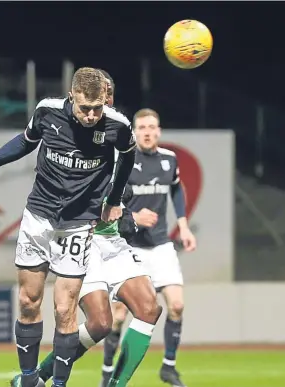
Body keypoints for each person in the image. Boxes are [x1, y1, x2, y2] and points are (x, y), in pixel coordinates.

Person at [0, 67, 136, 387]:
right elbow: (24, 143)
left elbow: (127, 156)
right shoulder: (47, 111)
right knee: (29, 301)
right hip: (38, 216)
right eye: (85, 108)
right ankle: (29, 381)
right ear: (72, 97)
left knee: (64, 309)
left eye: (98, 108)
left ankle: (58, 385)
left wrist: (113, 200)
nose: (92, 115)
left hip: (78, 224)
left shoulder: (117, 125)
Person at [101, 108, 197, 387]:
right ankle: (108, 372)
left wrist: (184, 225)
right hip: (129, 247)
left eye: (151, 127)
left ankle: (168, 367)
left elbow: (177, 189)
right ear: (134, 131)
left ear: (159, 131)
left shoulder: (169, 159)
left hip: (161, 245)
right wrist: (134, 217)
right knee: (118, 316)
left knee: (177, 305)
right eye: (141, 127)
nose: (146, 131)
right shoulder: (124, 159)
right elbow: (109, 202)